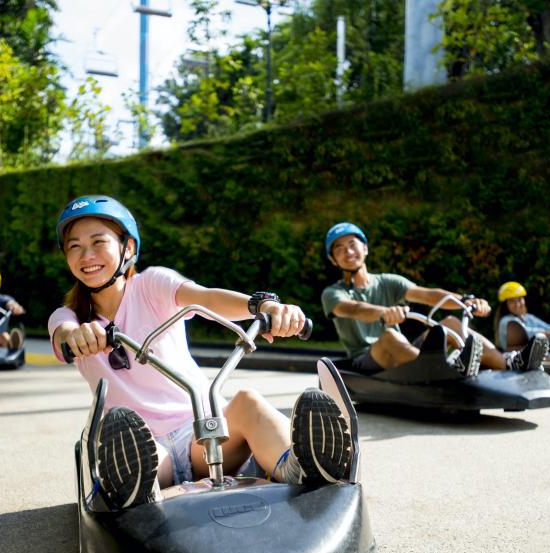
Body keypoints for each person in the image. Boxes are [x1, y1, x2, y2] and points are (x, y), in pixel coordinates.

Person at [48, 195, 355, 509]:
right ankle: (139, 499)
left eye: (98, 242)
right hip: (147, 445)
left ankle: (299, 469)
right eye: (74, 246)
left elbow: (206, 299)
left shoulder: (151, 284)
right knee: (128, 445)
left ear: (127, 248)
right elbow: (63, 336)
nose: (86, 255)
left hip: (203, 435)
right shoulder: (68, 317)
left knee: (247, 401)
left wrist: (263, 306)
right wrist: (79, 336)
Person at [321, 222, 549, 375]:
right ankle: (445, 371)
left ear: (365, 248)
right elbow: (354, 309)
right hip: (366, 359)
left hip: (404, 351)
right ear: (333, 259)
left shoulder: (388, 281)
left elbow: (429, 295)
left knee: (450, 323)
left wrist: (466, 301)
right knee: (390, 335)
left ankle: (509, 363)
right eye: (339, 249)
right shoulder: (332, 293)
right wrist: (384, 312)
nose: (348, 252)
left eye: (352, 245)